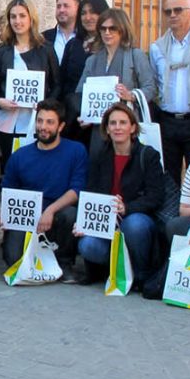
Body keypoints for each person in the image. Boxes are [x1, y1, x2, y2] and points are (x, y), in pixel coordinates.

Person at [73, 103, 164, 287]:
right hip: (105, 222)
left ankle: (140, 273)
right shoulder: (99, 155)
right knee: (87, 245)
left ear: (132, 127)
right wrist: (83, 220)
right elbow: (90, 192)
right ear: (106, 128)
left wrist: (127, 208)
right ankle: (115, 269)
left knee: (135, 225)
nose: (117, 127)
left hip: (135, 218)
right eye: (112, 123)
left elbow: (156, 196)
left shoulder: (148, 155)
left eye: (123, 122)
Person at [0, 99, 87, 275]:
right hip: (27, 217)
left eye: (49, 122)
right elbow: (8, 191)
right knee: (13, 260)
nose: (43, 127)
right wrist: (5, 214)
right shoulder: (19, 156)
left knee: (70, 213)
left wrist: (50, 211)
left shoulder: (76, 151)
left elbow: (77, 190)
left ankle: (64, 263)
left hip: (58, 215)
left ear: (60, 126)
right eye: (40, 121)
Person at [0, 0, 61, 166]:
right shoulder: (3, 49)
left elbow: (57, 84)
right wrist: (0, 101)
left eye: (22, 16)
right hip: (7, 122)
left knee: (34, 167)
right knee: (10, 167)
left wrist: (46, 105)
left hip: (35, 121)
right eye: (13, 17)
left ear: (31, 18)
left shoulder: (45, 49)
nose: (17, 21)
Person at [149, 0, 190, 186]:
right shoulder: (156, 48)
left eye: (178, 10)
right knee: (168, 174)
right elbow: (154, 83)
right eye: (168, 11)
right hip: (167, 119)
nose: (173, 15)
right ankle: (171, 215)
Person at [73, 8, 156, 146]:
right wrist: (86, 115)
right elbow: (81, 93)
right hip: (99, 130)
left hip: (127, 127)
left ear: (122, 30)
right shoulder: (92, 60)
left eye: (112, 28)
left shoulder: (135, 56)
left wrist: (131, 95)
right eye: (103, 28)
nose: (107, 33)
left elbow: (151, 88)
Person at [59, 0, 111, 139]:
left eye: (93, 12)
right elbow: (62, 81)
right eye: (83, 13)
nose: (88, 17)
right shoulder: (73, 45)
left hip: (103, 119)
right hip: (74, 117)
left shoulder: (112, 46)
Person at [43, 0, 82, 66]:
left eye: (66, 6)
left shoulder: (84, 38)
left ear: (77, 8)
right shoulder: (44, 38)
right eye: (58, 6)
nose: (61, 10)